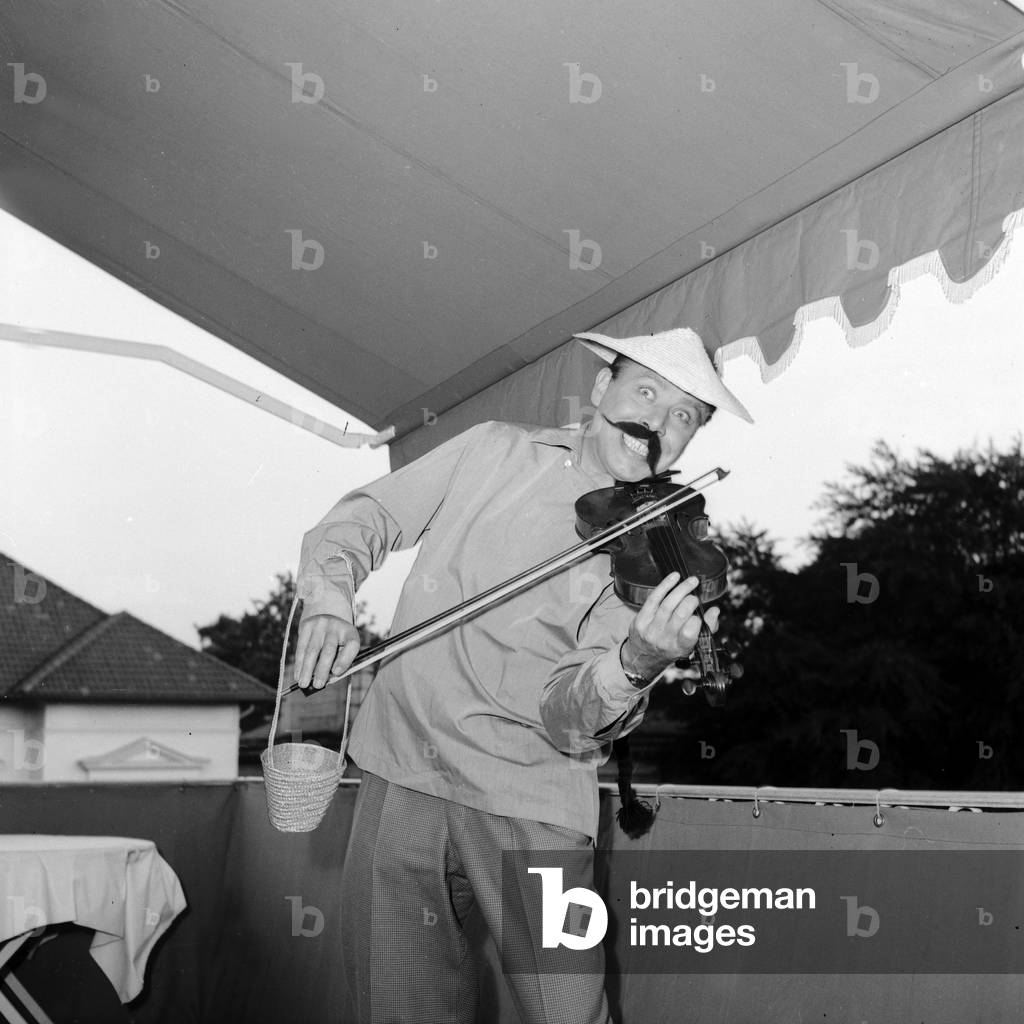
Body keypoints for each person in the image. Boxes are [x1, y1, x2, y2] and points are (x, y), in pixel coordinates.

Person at [294, 327, 753, 1024]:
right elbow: (371, 514)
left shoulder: (657, 558)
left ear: (691, 440)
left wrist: (637, 660)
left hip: (532, 797)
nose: (656, 422)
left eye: (683, 415)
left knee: (570, 1014)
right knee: (397, 1007)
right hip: (402, 764)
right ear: (600, 388)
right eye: (646, 392)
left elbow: (568, 720)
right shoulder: (491, 449)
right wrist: (329, 597)